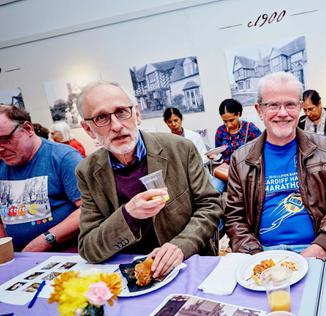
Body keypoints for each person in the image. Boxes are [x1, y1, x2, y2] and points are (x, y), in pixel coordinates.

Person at [76, 81, 222, 278]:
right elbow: (88, 248)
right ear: (87, 128)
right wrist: (128, 215)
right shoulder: (87, 172)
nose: (117, 126)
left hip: (187, 266)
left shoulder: (180, 149)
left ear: (137, 114)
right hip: (129, 275)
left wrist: (180, 245)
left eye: (121, 112)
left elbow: (211, 205)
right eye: (101, 117)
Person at [224, 72, 326, 260]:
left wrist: (321, 247)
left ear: (300, 107)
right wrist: (256, 256)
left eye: (290, 104)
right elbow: (235, 218)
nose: (283, 113)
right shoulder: (240, 160)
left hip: (319, 250)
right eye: (273, 105)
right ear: (259, 110)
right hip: (262, 251)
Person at [0, 105, 82, 252]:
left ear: (28, 129)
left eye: (5, 139)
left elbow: (89, 209)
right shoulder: (2, 165)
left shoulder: (63, 157)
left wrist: (44, 241)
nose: (0, 148)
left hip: (63, 257)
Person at [163, 107, 225, 193]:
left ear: (181, 119)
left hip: (198, 173)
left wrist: (192, 164)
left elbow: (204, 157)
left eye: (176, 120)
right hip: (181, 179)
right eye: (170, 122)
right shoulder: (166, 141)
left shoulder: (194, 136)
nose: (173, 124)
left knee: (219, 185)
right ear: (166, 123)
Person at [212, 99, 261, 164]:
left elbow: (263, 148)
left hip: (248, 170)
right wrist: (214, 157)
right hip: (227, 172)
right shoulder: (220, 131)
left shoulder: (250, 129)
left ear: (238, 114)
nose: (229, 125)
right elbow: (218, 154)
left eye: (231, 120)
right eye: (225, 121)